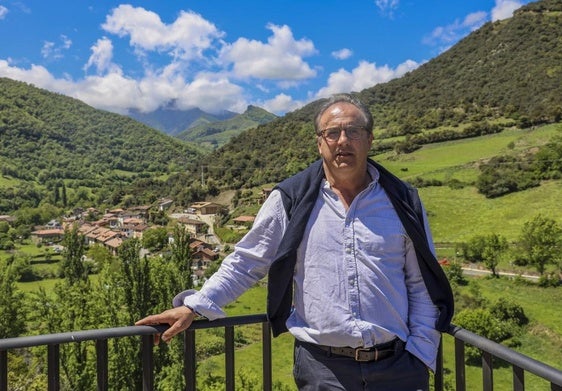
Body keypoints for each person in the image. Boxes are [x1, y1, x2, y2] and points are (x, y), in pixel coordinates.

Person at [136, 93, 454, 391]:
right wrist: (195, 306)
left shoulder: (403, 200)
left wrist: (421, 353)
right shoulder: (290, 198)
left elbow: (420, 283)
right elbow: (248, 261)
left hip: (398, 368)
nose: (343, 141)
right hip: (322, 370)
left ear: (369, 139)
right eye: (332, 133)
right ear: (319, 143)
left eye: (353, 131)